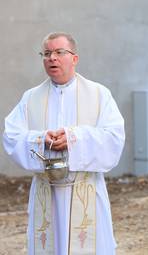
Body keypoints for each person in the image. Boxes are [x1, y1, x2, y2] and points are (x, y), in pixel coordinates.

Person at [3, 32, 125, 255]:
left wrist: (73, 138)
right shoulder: (31, 98)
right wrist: (41, 140)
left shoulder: (99, 94)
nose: (52, 58)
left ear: (74, 58)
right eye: (47, 53)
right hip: (45, 192)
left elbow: (114, 137)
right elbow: (11, 136)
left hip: (84, 189)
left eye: (59, 52)